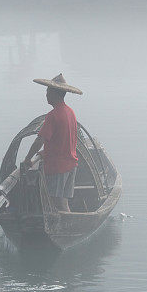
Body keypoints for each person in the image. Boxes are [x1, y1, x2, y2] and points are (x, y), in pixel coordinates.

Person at [23, 73, 83, 212]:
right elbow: (64, 138)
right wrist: (46, 152)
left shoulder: (53, 115)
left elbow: (40, 139)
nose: (46, 95)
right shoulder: (70, 112)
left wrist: (28, 159)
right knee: (63, 202)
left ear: (55, 94)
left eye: (48, 91)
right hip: (71, 164)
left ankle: (60, 231)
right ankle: (68, 227)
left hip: (58, 167)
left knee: (53, 202)